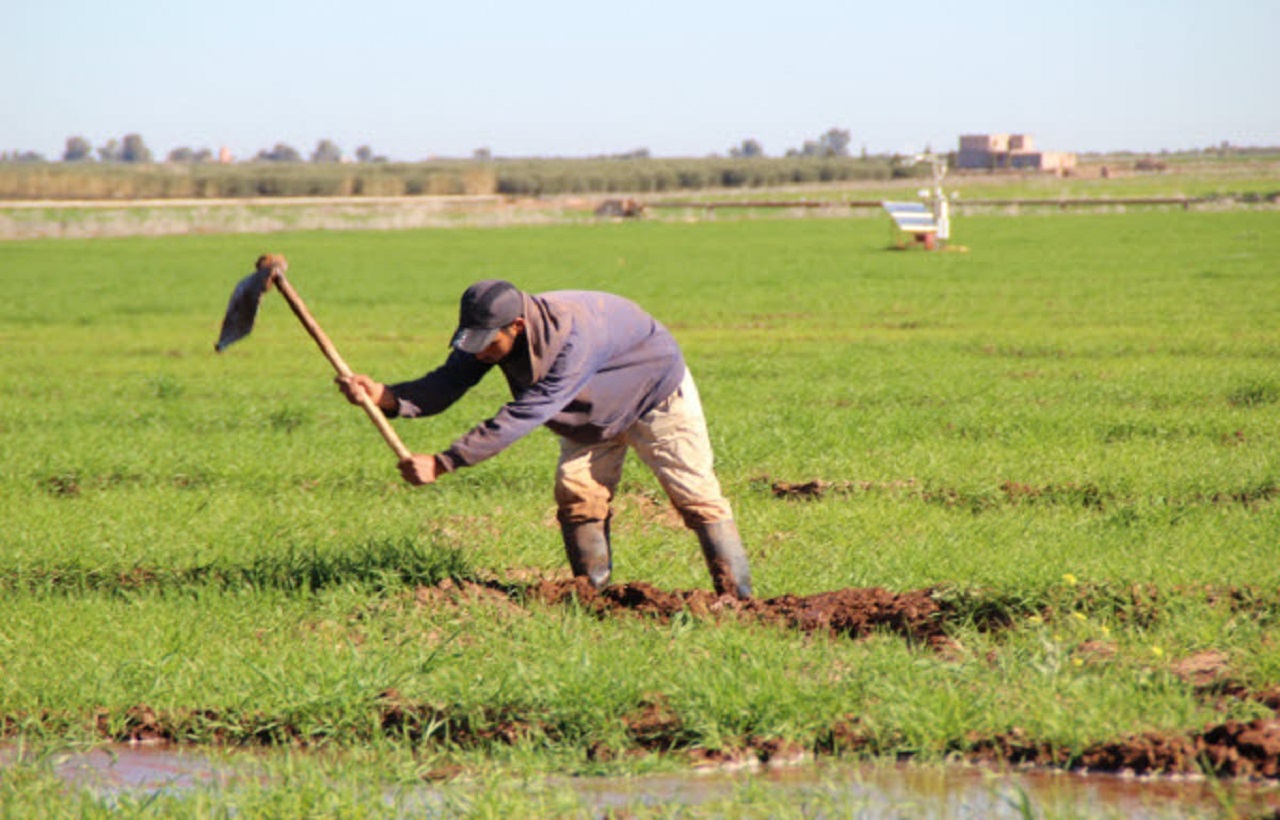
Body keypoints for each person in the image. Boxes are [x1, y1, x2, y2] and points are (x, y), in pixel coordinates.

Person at [335, 280, 753, 599]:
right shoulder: (484, 335)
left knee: (695, 495)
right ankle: (591, 597)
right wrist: (385, 396)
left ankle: (738, 600)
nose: (478, 351)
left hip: (654, 396)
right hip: (587, 414)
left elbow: (529, 410)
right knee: (577, 494)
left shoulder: (573, 333)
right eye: (473, 342)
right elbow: (445, 383)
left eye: (487, 344)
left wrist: (447, 461)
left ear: (516, 326)